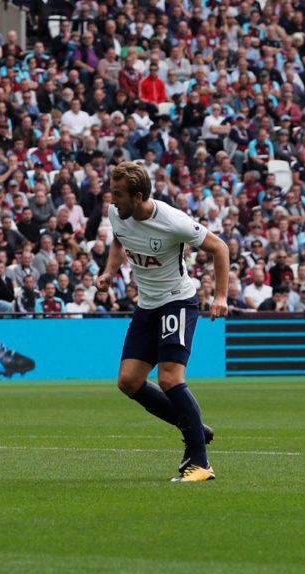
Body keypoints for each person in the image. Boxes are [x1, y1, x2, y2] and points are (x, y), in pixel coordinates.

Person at [96, 162, 229, 483]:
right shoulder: (119, 214)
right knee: (128, 381)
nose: (111, 199)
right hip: (147, 306)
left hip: (177, 302)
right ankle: (194, 426)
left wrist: (221, 296)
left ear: (138, 196)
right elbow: (118, 241)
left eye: (118, 193)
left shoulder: (171, 221)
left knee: (170, 379)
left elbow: (219, 248)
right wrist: (109, 273)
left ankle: (201, 463)